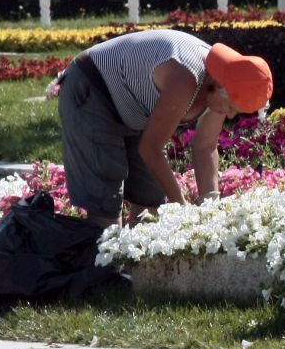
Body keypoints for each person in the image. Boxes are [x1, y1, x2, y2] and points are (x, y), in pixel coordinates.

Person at [58, 29, 273, 225]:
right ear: (218, 87)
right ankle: (101, 264)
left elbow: (205, 146)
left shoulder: (222, 82)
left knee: (152, 202)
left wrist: (210, 207)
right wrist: (181, 207)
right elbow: (150, 149)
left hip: (132, 107)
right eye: (230, 107)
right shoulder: (186, 77)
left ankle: (136, 267)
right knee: (106, 202)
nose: (230, 114)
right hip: (92, 89)